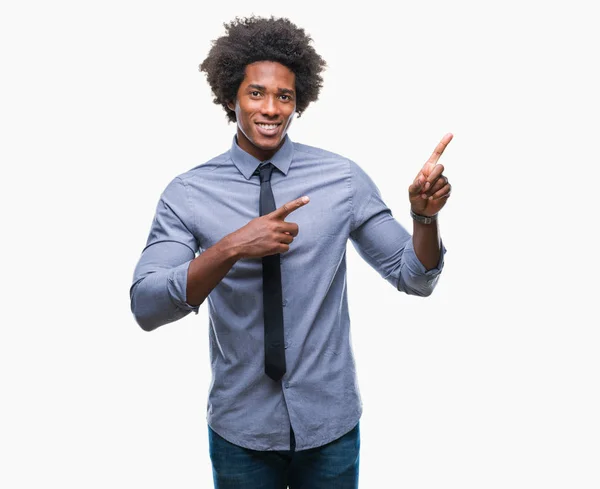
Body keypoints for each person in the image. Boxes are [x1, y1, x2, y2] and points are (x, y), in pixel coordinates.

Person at [130, 15, 452, 489]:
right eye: (256, 93)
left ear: (299, 102)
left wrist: (424, 218)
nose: (271, 108)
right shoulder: (189, 193)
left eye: (284, 96)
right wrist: (234, 246)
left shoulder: (341, 179)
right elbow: (147, 305)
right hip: (242, 429)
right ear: (230, 98)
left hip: (331, 426)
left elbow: (415, 277)